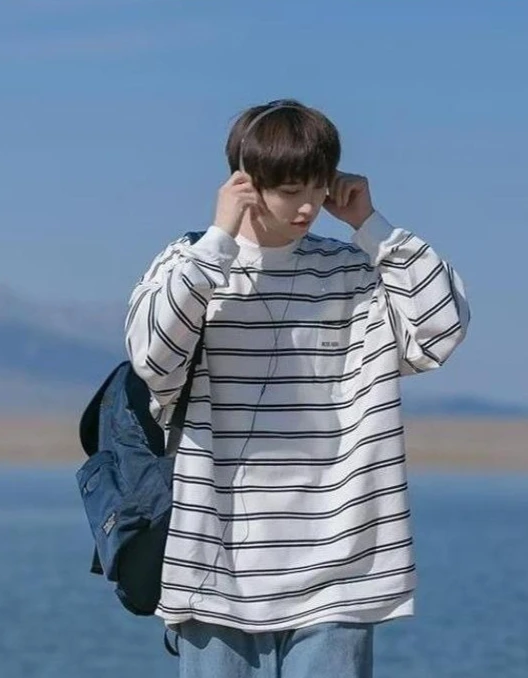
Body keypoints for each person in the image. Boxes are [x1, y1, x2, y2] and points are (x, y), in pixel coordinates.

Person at [124, 99, 470, 678]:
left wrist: (372, 225)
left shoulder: (353, 274)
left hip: (339, 567)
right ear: (244, 183)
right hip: (213, 567)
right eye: (290, 190)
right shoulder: (191, 265)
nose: (309, 205)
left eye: (318, 184)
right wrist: (218, 240)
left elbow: (441, 328)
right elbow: (153, 358)